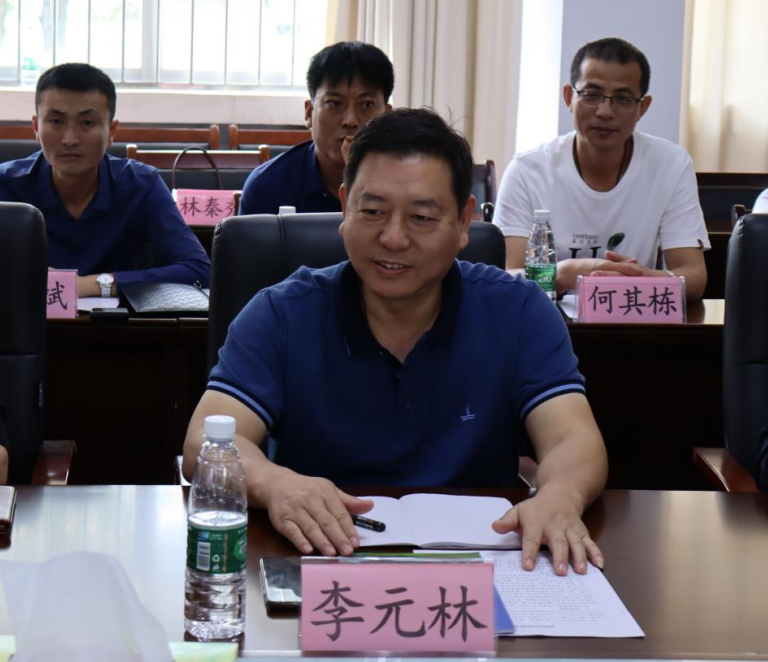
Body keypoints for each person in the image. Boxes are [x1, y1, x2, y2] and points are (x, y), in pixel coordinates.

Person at [185, 108, 608, 575]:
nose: (392, 237)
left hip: (482, 567)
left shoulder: (519, 310)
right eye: (372, 211)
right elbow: (205, 439)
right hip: (323, 559)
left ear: (463, 221)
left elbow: (572, 437)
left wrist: (559, 496)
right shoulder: (282, 312)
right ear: (344, 207)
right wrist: (274, 483)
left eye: (422, 217)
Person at [493, 37, 709, 301]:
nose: (605, 111)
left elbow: (694, 276)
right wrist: (564, 274)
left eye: (622, 98)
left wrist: (634, 278)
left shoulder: (671, 164)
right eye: (591, 95)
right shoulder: (527, 170)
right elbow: (507, 277)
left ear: (642, 108)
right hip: (545, 319)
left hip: (632, 317)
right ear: (569, 97)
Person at [0, 63, 210, 297]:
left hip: (118, 320)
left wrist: (95, 284)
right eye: (56, 122)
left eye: (87, 123)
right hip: (23, 318)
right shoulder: (6, 185)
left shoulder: (141, 185)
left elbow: (199, 270)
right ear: (36, 127)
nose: (70, 139)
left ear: (111, 131)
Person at [238, 41, 393, 215]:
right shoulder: (267, 186)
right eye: (335, 103)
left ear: (387, 117)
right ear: (309, 112)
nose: (350, 121)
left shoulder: (408, 185)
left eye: (367, 105)